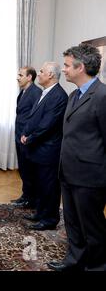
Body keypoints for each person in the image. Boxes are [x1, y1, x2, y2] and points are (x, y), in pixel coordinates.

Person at [48, 44, 106, 271]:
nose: (64, 70)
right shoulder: (74, 95)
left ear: (80, 67)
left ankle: (97, 266)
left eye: (66, 65)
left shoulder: (102, 96)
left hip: (91, 177)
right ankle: (74, 261)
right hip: (69, 172)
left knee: (92, 226)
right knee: (72, 223)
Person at [21, 62, 68, 231]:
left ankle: (49, 219)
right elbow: (33, 118)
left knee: (49, 187)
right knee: (40, 185)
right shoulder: (46, 92)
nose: (38, 74)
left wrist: (30, 137)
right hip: (38, 149)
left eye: (41, 71)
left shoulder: (59, 96)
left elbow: (47, 125)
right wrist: (25, 133)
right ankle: (40, 213)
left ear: (50, 75)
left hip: (48, 151)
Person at [11, 67, 42, 208]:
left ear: (29, 77)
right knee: (23, 170)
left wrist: (27, 136)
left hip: (27, 138)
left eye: (20, 75)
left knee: (29, 171)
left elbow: (35, 117)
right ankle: (25, 196)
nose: (18, 77)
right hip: (19, 137)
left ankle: (31, 200)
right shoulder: (23, 92)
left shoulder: (36, 93)